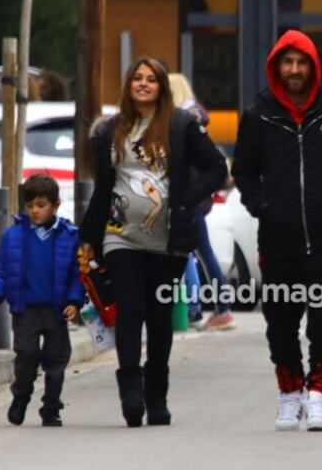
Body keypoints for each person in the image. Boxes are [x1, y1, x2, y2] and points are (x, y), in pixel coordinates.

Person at [232, 30, 322, 432]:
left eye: (301, 62)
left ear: (313, 65)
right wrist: (262, 206)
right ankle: (290, 394)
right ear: (277, 66)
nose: (294, 70)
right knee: (280, 323)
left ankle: (319, 395)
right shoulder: (259, 115)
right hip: (277, 241)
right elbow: (243, 170)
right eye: (287, 62)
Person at [79, 58, 227, 427]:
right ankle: (131, 392)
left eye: (151, 79)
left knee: (160, 319)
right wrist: (88, 237)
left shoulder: (181, 124)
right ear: (128, 85)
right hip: (120, 237)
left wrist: (184, 200)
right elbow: (102, 190)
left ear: (161, 86)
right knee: (130, 310)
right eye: (137, 78)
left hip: (168, 241)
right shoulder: (111, 130)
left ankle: (156, 395)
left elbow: (216, 169)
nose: (143, 84)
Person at [0, 174, 85, 427]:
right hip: (25, 309)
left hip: (56, 310)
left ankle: (51, 407)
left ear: (55, 205)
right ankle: (21, 396)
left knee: (56, 362)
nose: (35, 211)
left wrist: (75, 301)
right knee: (26, 356)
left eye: (41, 205)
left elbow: (77, 274)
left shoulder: (69, 236)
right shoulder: (13, 236)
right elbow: (2, 269)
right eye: (30, 206)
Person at [167, 72, 235, 331]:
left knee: (202, 253)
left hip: (189, 198)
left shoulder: (183, 123)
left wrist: (186, 196)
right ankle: (201, 307)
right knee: (193, 254)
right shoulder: (195, 119)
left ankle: (221, 309)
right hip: (197, 197)